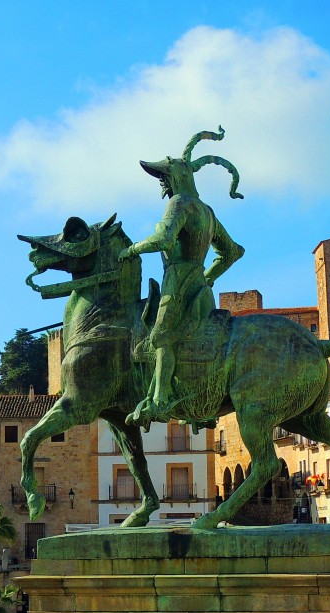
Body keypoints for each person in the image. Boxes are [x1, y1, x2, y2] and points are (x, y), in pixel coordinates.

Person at [119, 128, 245, 428]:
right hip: (199, 286)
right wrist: (208, 278)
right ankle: (203, 406)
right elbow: (232, 252)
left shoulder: (179, 204)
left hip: (176, 282)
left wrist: (131, 250)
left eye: (164, 178)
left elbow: (163, 239)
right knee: (195, 340)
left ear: (176, 178)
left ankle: (160, 400)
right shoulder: (207, 211)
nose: (162, 184)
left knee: (162, 337)